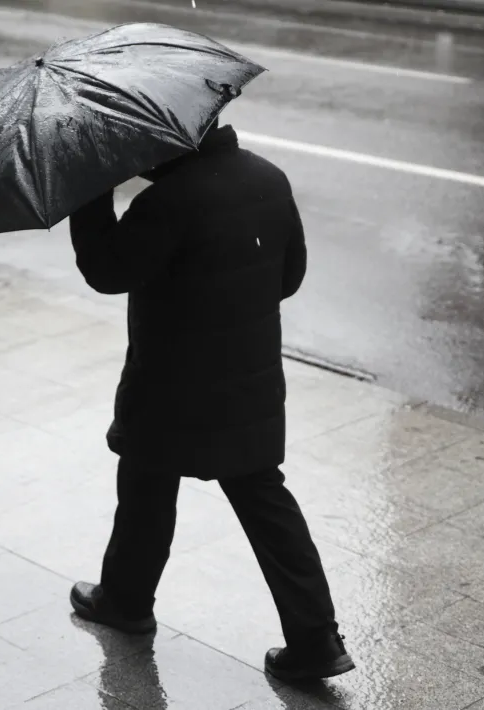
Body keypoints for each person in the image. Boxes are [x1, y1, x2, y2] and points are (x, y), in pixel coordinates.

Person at [66, 120, 353, 682]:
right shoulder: (268, 178)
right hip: (248, 378)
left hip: (171, 381)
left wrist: (91, 187)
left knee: (147, 484)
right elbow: (288, 276)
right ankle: (317, 638)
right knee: (264, 500)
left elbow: (105, 270)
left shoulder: (168, 201)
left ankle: (125, 602)